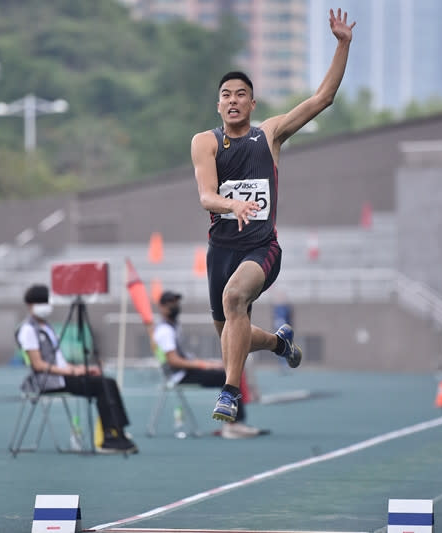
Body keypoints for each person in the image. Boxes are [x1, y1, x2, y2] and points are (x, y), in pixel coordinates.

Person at [190, 8, 356, 421]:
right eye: (226, 94)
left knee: (234, 299)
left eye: (240, 94)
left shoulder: (270, 134)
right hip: (221, 250)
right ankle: (281, 344)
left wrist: (342, 44)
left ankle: (230, 393)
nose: (233, 100)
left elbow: (323, 99)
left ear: (252, 102)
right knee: (232, 334)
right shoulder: (204, 143)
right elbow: (207, 197)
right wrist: (233, 204)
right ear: (218, 105)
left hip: (262, 247)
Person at [16, 284, 138, 454]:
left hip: (62, 376)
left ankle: (118, 431)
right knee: (103, 386)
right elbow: (38, 365)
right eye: (40, 302)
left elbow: (60, 362)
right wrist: (73, 372)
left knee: (107, 382)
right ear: (30, 305)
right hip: (48, 381)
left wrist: (83, 368)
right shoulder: (28, 330)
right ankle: (109, 437)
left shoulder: (47, 327)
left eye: (46, 301)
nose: (45, 305)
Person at [152, 290, 267, 439]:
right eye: (170, 303)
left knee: (227, 370)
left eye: (176, 302)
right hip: (179, 376)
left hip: (184, 372)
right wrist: (203, 365)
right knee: (228, 375)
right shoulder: (164, 330)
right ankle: (233, 425)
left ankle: (233, 422)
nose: (174, 306)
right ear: (161, 307)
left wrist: (207, 363)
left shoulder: (173, 327)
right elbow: (174, 361)